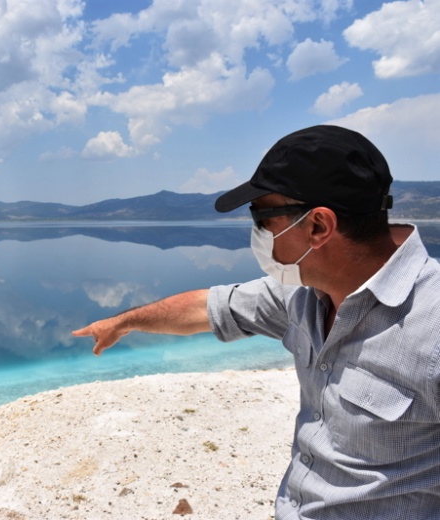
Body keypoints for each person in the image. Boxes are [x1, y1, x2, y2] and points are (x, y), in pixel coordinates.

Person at [73, 125, 440, 520]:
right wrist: (123, 321)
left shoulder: (430, 324)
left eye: (262, 217)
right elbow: (205, 308)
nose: (258, 233)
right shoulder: (301, 296)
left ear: (318, 226)